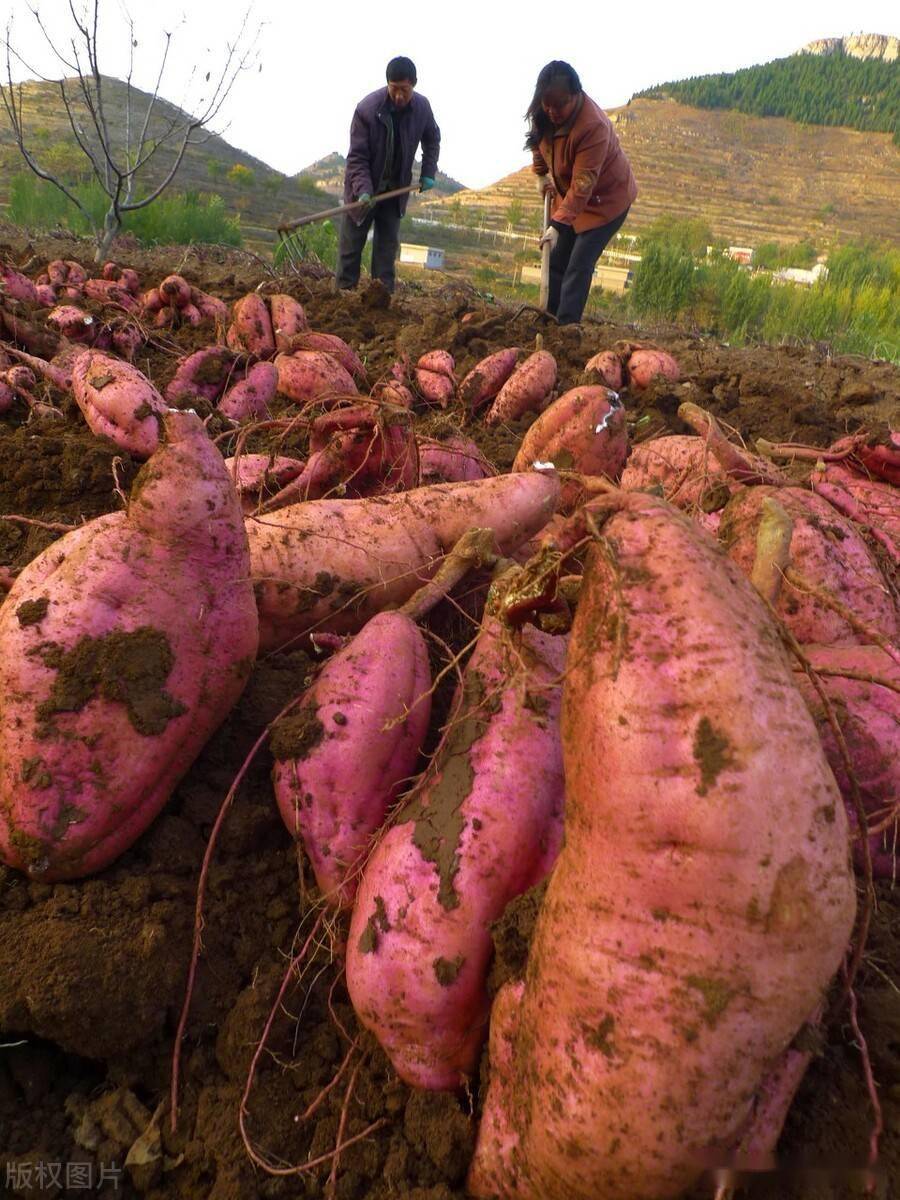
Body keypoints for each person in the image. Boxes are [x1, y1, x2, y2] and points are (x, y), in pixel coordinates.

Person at [528, 61, 637, 325]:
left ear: (576, 95)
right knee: (556, 261)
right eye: (547, 105)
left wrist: (557, 224)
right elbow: (537, 143)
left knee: (578, 265)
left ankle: (566, 327)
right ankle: (547, 318)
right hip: (571, 199)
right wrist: (541, 174)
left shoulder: (593, 126)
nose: (552, 112)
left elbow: (583, 184)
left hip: (605, 202)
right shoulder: (544, 111)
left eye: (560, 105)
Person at [337, 56, 441, 294]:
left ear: (413, 85)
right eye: (394, 89)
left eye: (404, 90)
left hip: (394, 193)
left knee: (385, 258)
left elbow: (432, 139)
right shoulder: (366, 110)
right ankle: (342, 304)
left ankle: (381, 309)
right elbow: (357, 158)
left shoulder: (422, 109)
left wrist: (428, 171)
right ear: (387, 85)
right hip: (362, 194)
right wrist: (364, 189)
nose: (399, 96)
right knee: (350, 254)